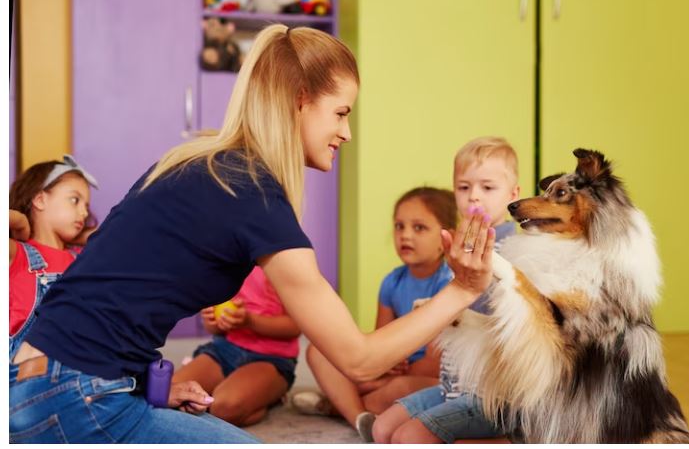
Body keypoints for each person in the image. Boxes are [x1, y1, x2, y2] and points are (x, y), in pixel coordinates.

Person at [9, 24, 496, 444]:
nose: (346, 133)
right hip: (78, 394)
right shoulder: (254, 194)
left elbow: (104, 283)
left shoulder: (196, 163)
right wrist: (462, 289)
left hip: (31, 374)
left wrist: (140, 380)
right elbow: (359, 359)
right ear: (299, 102)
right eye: (342, 113)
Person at [372, 136, 521, 444]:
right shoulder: (459, 246)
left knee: (408, 438)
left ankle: (511, 439)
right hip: (451, 383)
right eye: (464, 187)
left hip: (490, 394)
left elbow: (504, 316)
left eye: (488, 188)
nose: (474, 197)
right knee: (382, 429)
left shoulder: (517, 250)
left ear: (513, 194)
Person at [292, 187, 457, 441]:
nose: (406, 235)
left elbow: (436, 364)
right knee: (319, 352)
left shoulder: (449, 284)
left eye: (419, 228)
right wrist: (385, 367)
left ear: (446, 237)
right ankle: (360, 417)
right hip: (394, 370)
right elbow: (380, 340)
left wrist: (393, 373)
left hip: (429, 377)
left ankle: (337, 406)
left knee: (398, 389)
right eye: (399, 226)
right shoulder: (392, 282)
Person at [172, 266, 300, 427]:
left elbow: (295, 327)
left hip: (270, 358)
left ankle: (270, 397)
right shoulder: (223, 264)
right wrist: (211, 320)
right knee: (172, 394)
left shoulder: (280, 265)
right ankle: (235, 391)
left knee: (223, 409)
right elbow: (214, 329)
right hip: (224, 349)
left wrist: (250, 321)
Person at [9, 155, 98, 359]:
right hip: (27, 376)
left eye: (86, 206)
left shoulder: (82, 259)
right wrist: (19, 220)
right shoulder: (17, 253)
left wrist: (85, 236)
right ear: (40, 200)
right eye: (75, 200)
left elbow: (118, 235)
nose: (84, 213)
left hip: (79, 373)